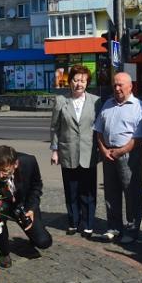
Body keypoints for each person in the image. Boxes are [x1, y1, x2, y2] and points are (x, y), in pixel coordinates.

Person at [93, 72, 142, 244]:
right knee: (111, 192)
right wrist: (103, 149)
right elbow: (99, 130)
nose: (117, 88)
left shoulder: (138, 105)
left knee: (131, 192)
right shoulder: (107, 104)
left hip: (129, 155)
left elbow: (140, 136)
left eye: (121, 85)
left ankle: (132, 230)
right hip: (108, 154)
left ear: (130, 86)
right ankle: (113, 227)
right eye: (115, 84)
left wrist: (122, 150)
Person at [50, 65, 101, 238]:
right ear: (70, 81)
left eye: (83, 80)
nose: (79, 84)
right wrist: (55, 150)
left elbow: (100, 127)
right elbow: (55, 128)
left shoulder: (96, 101)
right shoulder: (61, 100)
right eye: (76, 80)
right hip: (67, 152)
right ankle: (73, 221)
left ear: (87, 82)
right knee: (71, 190)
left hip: (89, 152)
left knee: (88, 191)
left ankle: (88, 223)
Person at [0, 145, 52, 267]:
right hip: (4, 205)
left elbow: (36, 186)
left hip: (24, 205)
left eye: (5, 171)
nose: (1, 175)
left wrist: (31, 209)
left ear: (15, 164)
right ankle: (3, 252)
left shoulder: (30, 162)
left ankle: (30, 238)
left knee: (43, 242)